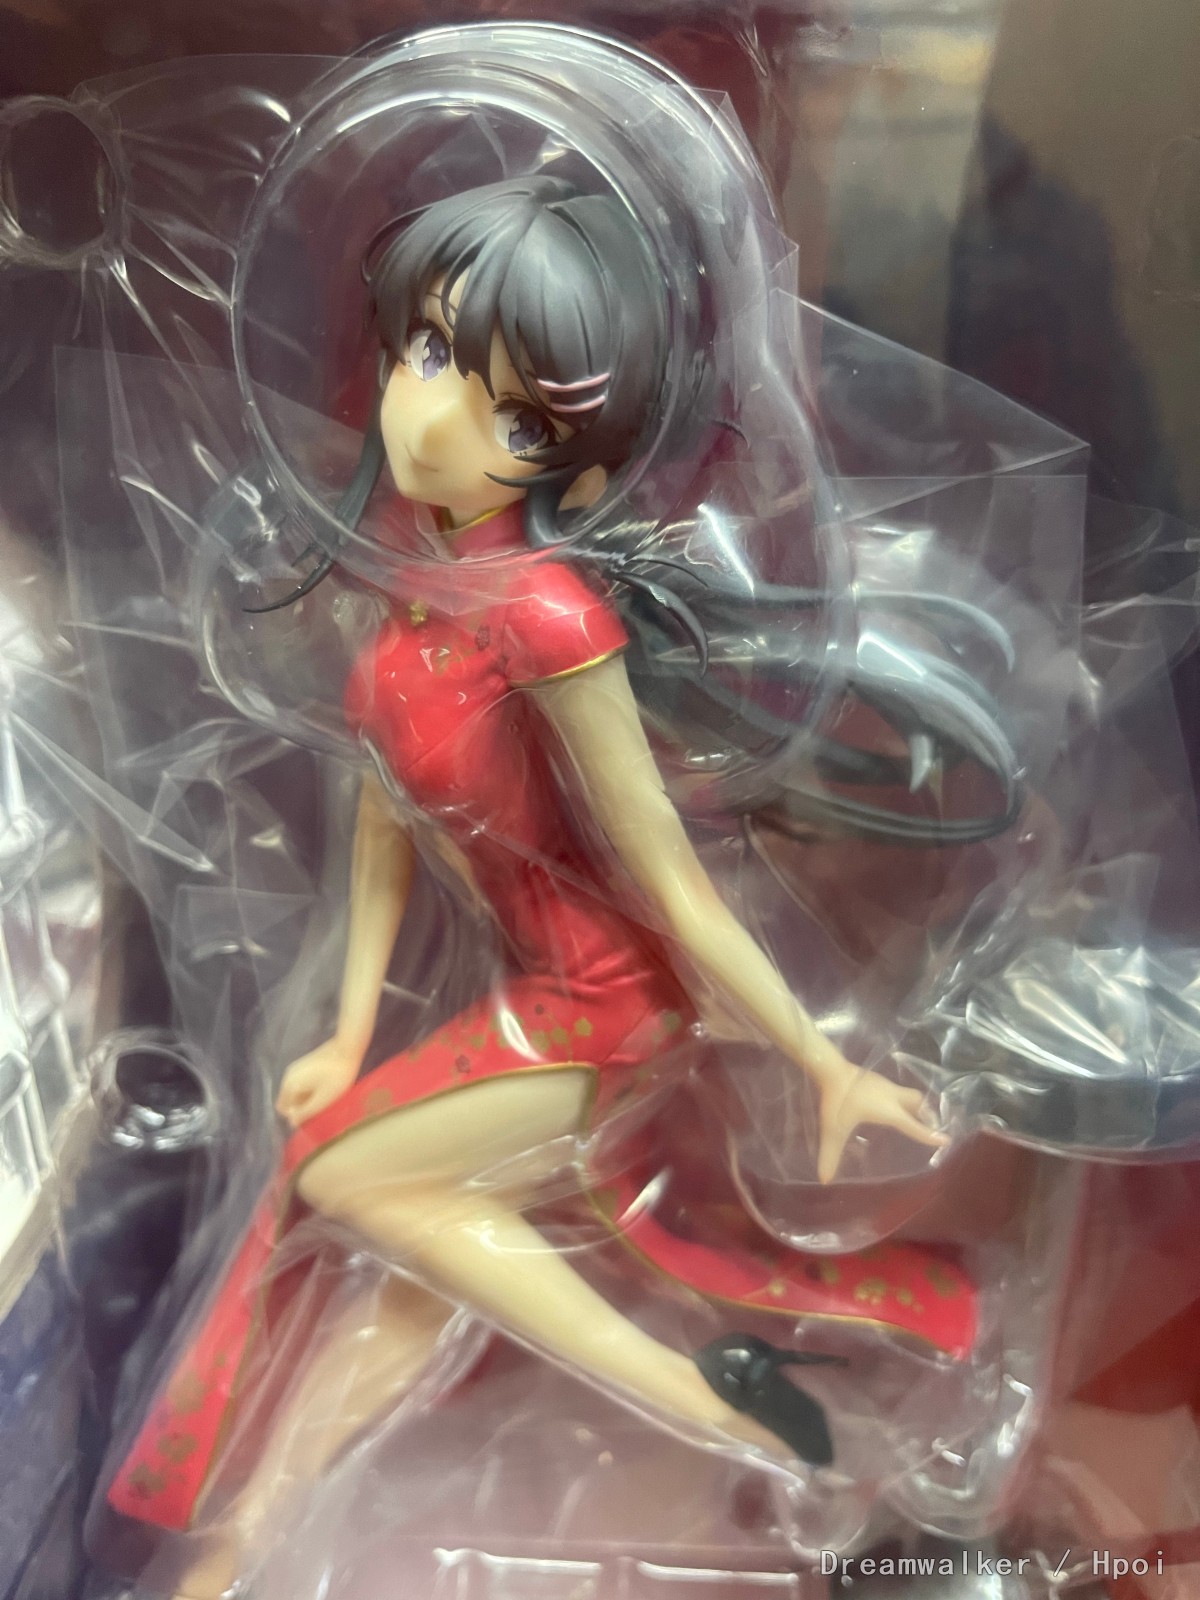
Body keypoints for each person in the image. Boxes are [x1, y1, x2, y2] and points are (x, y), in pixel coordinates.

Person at [104, 176, 986, 1598]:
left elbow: (670, 879)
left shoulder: (548, 618)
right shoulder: (406, 598)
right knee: (415, 1261)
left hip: (603, 1001)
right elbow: (385, 834)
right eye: (431, 351)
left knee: (344, 1179)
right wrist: (346, 1028)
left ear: (570, 459)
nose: (436, 423)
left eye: (517, 420)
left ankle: (708, 1392)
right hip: (533, 988)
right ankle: (252, 1539)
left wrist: (821, 1062)